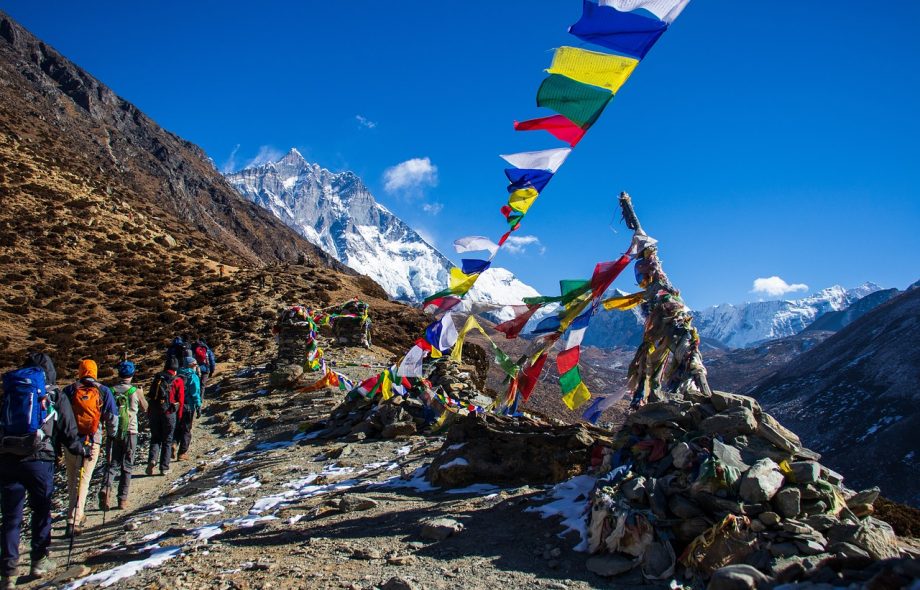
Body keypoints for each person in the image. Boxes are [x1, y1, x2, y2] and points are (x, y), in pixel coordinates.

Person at [0, 353, 86, 587]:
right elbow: (68, 430)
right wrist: (79, 449)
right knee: (41, 509)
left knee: (11, 516)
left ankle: (8, 571)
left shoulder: (12, 391)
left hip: (8, 458)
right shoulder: (55, 394)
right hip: (40, 459)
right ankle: (39, 560)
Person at [61, 360, 117, 537]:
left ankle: (77, 513)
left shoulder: (69, 391)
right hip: (91, 441)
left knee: (72, 480)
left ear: (80, 372)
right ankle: (74, 520)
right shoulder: (103, 391)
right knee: (83, 480)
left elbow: (60, 417)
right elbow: (112, 417)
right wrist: (112, 435)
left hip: (70, 443)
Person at [100, 360, 147, 511]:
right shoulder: (135, 391)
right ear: (132, 374)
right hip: (130, 431)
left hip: (113, 432)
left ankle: (106, 489)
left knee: (112, 463)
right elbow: (145, 408)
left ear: (119, 374)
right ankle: (122, 499)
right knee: (127, 465)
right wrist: (142, 394)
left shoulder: (110, 391)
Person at [146, 357, 184, 476]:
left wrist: (149, 412)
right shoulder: (177, 380)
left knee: (155, 438)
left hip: (154, 412)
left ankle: (152, 460)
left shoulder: (158, 378)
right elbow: (181, 400)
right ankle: (164, 467)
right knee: (167, 440)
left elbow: (151, 396)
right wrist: (179, 415)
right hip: (169, 412)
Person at [173, 356, 202, 462]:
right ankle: (182, 453)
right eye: (195, 364)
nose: (196, 366)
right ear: (191, 365)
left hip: (177, 405)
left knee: (177, 427)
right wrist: (198, 405)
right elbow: (195, 392)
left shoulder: (177, 374)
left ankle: (173, 443)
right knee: (186, 429)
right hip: (188, 405)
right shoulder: (192, 376)